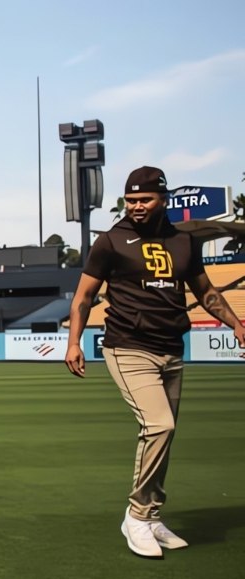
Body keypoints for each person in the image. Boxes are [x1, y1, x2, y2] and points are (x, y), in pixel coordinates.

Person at [65, 166, 245, 558]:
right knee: (158, 425)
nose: (137, 207)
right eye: (131, 201)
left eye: (144, 200)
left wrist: (235, 322)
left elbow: (205, 290)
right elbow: (82, 298)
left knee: (164, 434)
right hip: (128, 347)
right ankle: (135, 517)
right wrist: (73, 342)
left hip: (171, 348)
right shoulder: (111, 241)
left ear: (163, 199)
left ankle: (150, 514)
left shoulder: (182, 241)